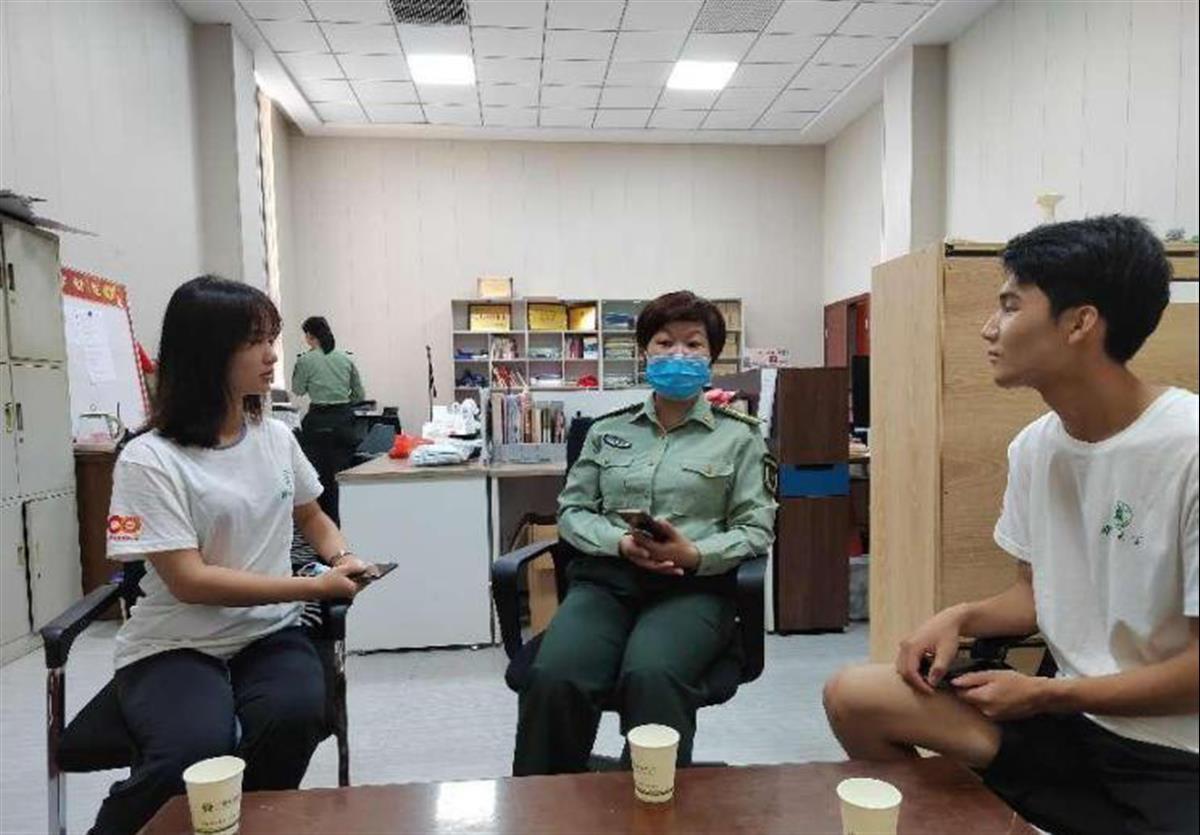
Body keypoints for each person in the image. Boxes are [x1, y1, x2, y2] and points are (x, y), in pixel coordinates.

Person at [822, 216, 1198, 835]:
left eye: (1010, 305)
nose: (989, 328)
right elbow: (1034, 595)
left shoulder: (1188, 447)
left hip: (1174, 754)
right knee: (856, 697)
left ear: (1079, 323)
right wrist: (961, 617)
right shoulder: (1036, 447)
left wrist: (1050, 695)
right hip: (1072, 725)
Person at [92, 277, 375, 835]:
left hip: (268, 634)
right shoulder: (150, 458)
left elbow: (312, 516)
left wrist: (341, 556)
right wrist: (313, 587)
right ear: (207, 352)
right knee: (193, 751)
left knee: (296, 716)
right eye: (255, 342)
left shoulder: (275, 437)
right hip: (176, 644)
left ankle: (244, 825)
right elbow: (190, 581)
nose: (272, 355)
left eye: (272, 338)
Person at [512, 291, 778, 776]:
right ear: (644, 352)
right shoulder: (605, 431)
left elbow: (755, 528)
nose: (678, 354)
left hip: (692, 589)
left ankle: (653, 801)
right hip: (606, 583)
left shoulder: (740, 437)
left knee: (652, 675)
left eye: (693, 344)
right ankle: (544, 803)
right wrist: (619, 542)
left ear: (712, 357)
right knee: (554, 675)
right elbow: (573, 512)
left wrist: (694, 553)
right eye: (664, 342)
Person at [292, 316, 365, 525]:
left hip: (317, 424)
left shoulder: (305, 360)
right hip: (343, 422)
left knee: (319, 479)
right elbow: (359, 395)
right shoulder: (346, 358)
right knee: (342, 477)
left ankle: (325, 526)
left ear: (309, 336)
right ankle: (350, 524)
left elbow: (298, 389)